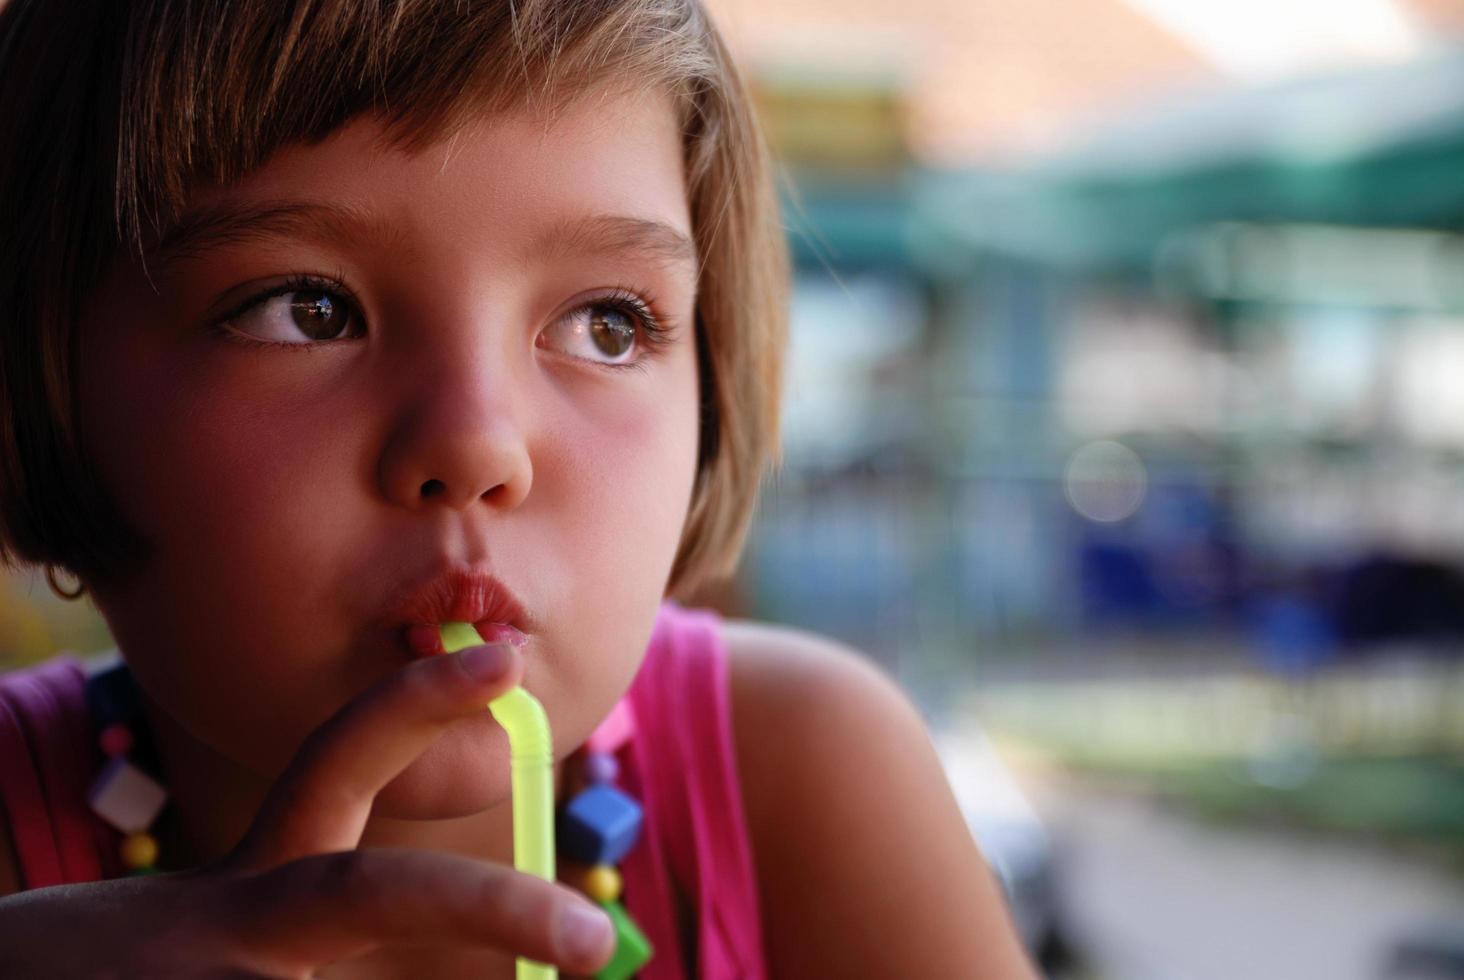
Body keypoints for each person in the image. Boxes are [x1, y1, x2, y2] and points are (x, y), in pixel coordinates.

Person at [0, 0, 1037, 976]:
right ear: (40, 378)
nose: (479, 443)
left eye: (606, 324)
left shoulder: (810, 777)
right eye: (305, 309)